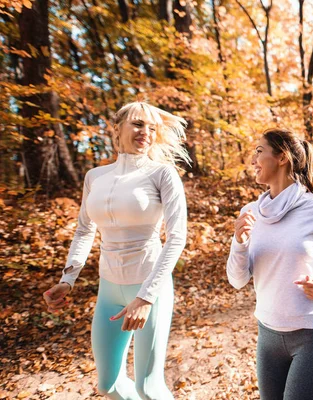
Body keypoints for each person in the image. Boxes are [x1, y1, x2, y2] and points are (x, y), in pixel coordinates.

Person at [43, 101, 190, 399]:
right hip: (109, 289)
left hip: (149, 286)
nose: (145, 132)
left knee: (148, 387)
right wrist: (67, 280)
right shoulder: (95, 176)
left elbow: (177, 238)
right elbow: (85, 229)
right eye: (137, 124)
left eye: (152, 127)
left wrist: (146, 297)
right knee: (108, 385)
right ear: (117, 128)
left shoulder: (162, 174)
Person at [227, 128, 313, 400]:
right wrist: (239, 242)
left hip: (312, 335)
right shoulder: (250, 213)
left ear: (282, 157)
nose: (253, 159)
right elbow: (237, 280)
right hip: (268, 334)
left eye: (259, 151)